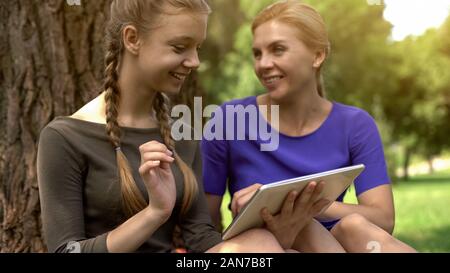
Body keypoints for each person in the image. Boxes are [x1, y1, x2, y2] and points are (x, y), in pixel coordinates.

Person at [37, 0, 287, 253]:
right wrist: (155, 212)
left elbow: (200, 239)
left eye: (197, 48)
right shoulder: (65, 138)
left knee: (262, 243)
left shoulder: (182, 133)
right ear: (132, 38)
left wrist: (258, 213)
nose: (195, 61)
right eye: (180, 47)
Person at [202, 0, 417, 253]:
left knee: (355, 227)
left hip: (331, 243)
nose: (263, 64)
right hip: (264, 247)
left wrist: (300, 205)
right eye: (258, 53)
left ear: (317, 55)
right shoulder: (229, 119)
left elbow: (383, 218)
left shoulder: (355, 125)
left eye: (278, 50)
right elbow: (205, 224)